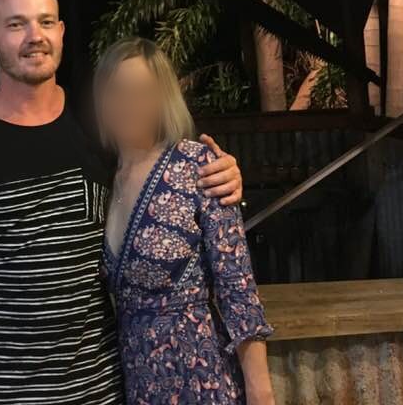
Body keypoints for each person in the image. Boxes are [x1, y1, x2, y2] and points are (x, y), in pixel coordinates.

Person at [0, 0, 245, 405]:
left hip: (99, 389)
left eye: (46, 21)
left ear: (62, 31)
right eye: (16, 24)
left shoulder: (101, 128)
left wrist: (226, 175)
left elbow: (175, 181)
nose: (35, 36)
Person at [95, 37, 275, 405]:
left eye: (142, 91)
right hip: (135, 376)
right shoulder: (102, 177)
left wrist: (261, 391)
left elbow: (238, 288)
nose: (129, 104)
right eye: (118, 91)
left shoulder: (199, 167)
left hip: (199, 376)